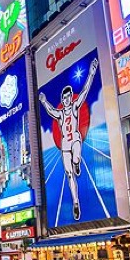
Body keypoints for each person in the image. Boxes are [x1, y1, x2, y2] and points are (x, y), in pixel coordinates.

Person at [39, 57, 99, 220]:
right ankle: (76, 202)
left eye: (68, 97)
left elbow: (85, 91)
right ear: (62, 99)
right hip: (65, 144)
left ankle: (77, 162)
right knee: (69, 173)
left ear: (71, 97)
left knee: (77, 156)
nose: (66, 100)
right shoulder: (60, 113)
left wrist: (92, 73)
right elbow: (51, 110)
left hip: (75, 140)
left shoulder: (74, 107)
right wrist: (44, 102)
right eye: (64, 98)